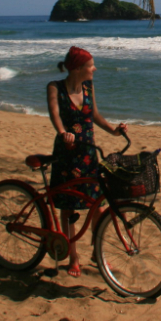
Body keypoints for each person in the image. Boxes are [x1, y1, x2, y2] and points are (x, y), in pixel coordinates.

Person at [47, 46, 127, 277]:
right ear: (79, 68)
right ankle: (73, 258)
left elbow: (94, 115)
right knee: (69, 206)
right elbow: (55, 114)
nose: (95, 68)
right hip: (67, 153)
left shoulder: (88, 87)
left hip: (88, 153)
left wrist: (114, 131)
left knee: (97, 204)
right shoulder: (55, 87)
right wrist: (63, 133)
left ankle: (97, 253)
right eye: (91, 65)